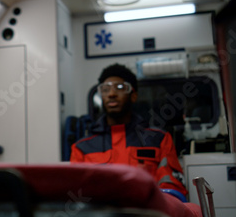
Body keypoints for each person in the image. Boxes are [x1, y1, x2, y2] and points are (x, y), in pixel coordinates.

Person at [70, 63, 187, 197]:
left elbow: (173, 191)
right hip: (102, 216)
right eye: (105, 89)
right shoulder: (82, 148)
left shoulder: (158, 140)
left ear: (133, 96)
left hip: (148, 215)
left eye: (120, 87)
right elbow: (76, 194)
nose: (112, 94)